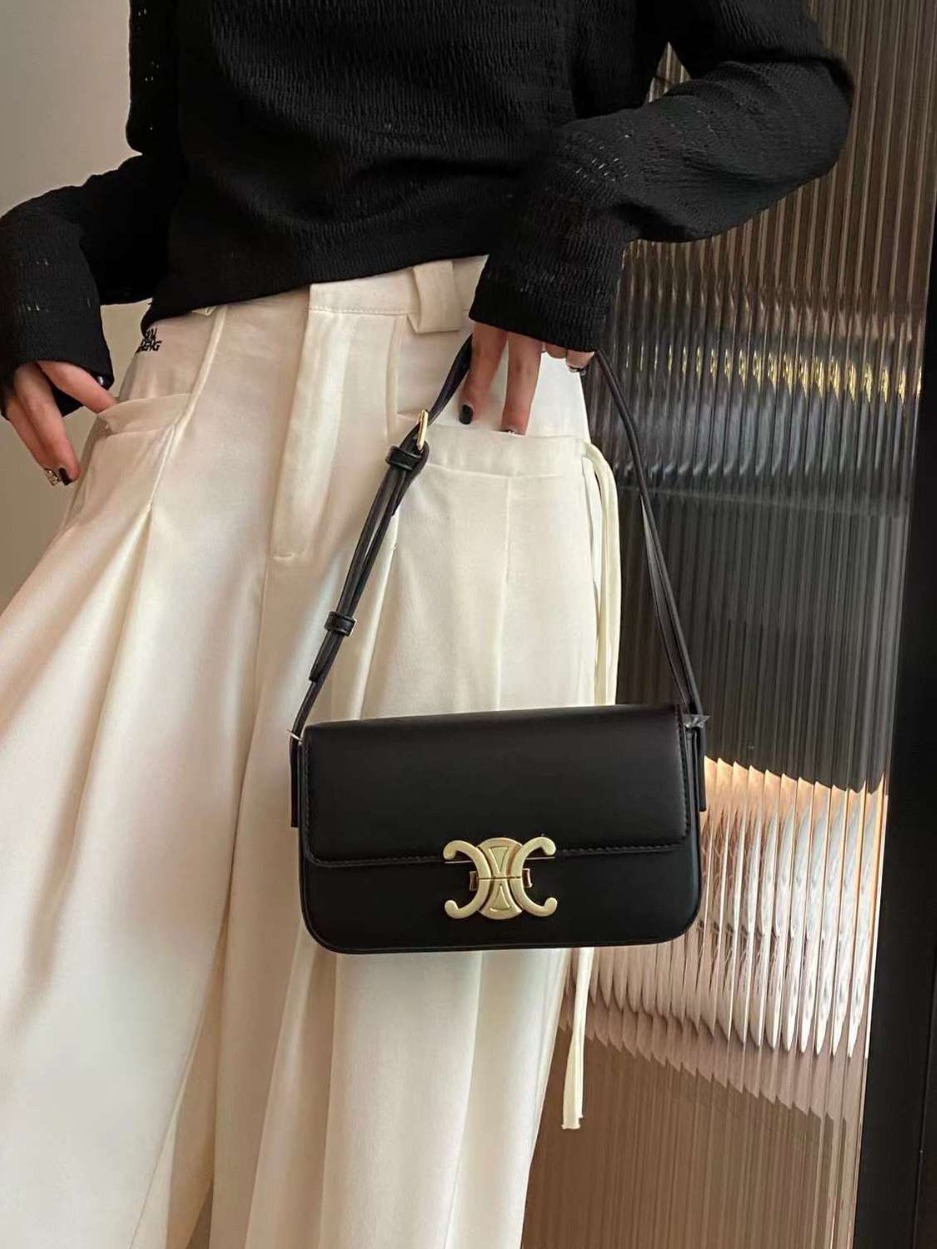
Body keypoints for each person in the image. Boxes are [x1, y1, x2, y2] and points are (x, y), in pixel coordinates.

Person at [0, 2, 852, 1247]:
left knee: (377, 1130)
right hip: (194, 413)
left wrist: (585, 189)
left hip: (465, 403)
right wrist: (40, 247)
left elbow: (795, 85)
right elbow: (198, 173)